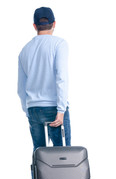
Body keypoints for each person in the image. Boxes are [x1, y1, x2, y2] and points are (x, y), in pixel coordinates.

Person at [18, 7, 71, 151]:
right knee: (62, 154)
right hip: (54, 107)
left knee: (38, 154)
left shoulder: (24, 50)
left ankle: (36, 175)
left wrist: (28, 110)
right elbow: (61, 77)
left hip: (33, 108)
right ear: (54, 24)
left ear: (34, 26)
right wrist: (61, 110)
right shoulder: (59, 44)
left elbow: (20, 87)